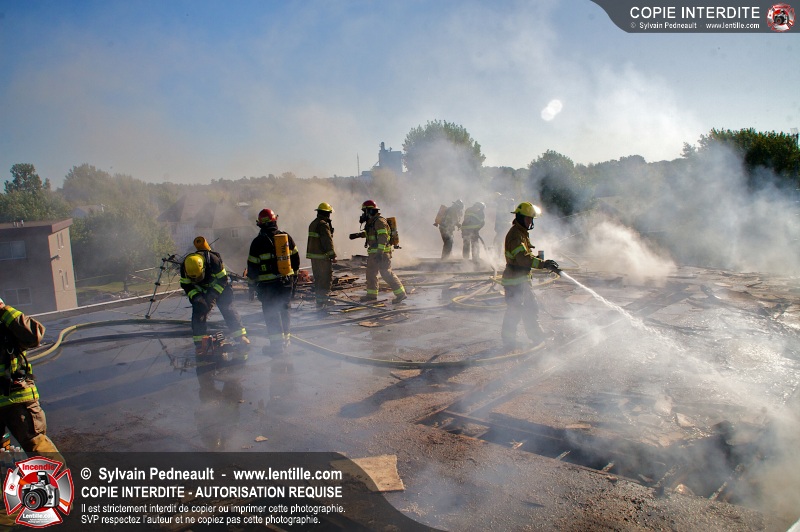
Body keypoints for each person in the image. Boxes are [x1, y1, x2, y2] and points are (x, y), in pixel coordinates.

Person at [0, 297, 61, 456]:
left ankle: (55, 474)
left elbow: (34, 336)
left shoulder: (7, 324)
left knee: (37, 448)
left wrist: (4, 310)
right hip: (13, 399)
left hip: (16, 399)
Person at [501, 202, 559, 350]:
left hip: (521, 280)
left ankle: (536, 335)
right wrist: (543, 264)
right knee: (515, 311)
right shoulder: (515, 235)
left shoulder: (521, 233)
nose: (530, 222)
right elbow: (523, 259)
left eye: (531, 219)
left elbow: (525, 256)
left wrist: (542, 262)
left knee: (531, 308)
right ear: (520, 218)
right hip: (514, 281)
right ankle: (509, 341)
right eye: (528, 219)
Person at [180, 236, 249, 355]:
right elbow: (186, 285)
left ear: (203, 267)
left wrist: (211, 296)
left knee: (228, 308)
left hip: (219, 287)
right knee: (198, 312)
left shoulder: (213, 260)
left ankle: (240, 337)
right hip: (200, 290)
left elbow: (223, 280)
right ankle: (200, 344)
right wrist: (197, 298)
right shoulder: (185, 267)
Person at [247, 209, 300, 354]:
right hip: (286, 283)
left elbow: (252, 268)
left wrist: (251, 286)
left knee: (271, 314)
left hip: (267, 287)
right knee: (284, 310)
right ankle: (286, 341)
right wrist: (294, 280)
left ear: (259, 224)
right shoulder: (286, 238)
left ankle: (276, 346)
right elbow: (296, 260)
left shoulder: (257, 243)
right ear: (274, 220)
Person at [349, 200, 407, 303]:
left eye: (365, 211)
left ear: (370, 211)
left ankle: (401, 294)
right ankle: (371, 295)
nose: (363, 214)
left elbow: (383, 236)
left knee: (386, 273)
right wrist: (358, 235)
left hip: (381, 254)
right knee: (371, 274)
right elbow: (372, 234)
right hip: (374, 253)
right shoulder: (372, 222)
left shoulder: (379, 222)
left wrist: (380, 252)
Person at [306, 202, 337, 310]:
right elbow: (327, 241)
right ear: (327, 213)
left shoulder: (313, 223)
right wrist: (332, 255)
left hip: (314, 257)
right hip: (322, 257)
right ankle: (325, 300)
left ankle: (320, 302)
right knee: (326, 278)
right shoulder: (323, 224)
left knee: (318, 279)